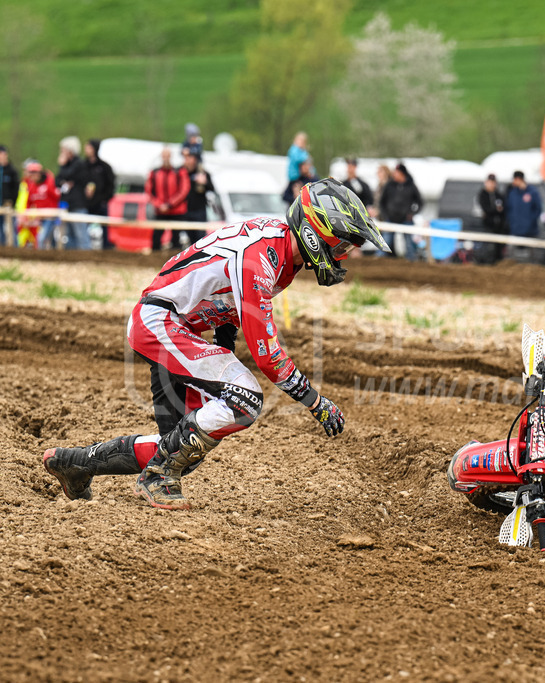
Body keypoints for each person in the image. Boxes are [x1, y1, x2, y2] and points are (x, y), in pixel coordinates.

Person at [42, 179, 392, 511]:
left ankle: (75, 464)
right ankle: (159, 476)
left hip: (175, 327)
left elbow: (226, 309)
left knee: (179, 447)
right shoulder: (263, 258)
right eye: (343, 245)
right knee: (245, 398)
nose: (343, 255)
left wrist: (223, 351)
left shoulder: (282, 252)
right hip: (163, 322)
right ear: (316, 234)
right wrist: (315, 402)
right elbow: (267, 353)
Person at [144, 147, 191, 251]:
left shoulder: (180, 172)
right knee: (156, 237)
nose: (166, 158)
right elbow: (149, 191)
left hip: (177, 211)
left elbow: (184, 190)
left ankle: (176, 263)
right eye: (164, 156)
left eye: (168, 156)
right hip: (160, 211)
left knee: (176, 239)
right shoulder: (154, 173)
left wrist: (170, 204)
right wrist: (159, 205)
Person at [378, 162, 422, 260]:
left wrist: (412, 214)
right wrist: (385, 215)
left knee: (409, 244)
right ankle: (378, 260)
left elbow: (420, 202)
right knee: (385, 242)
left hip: (406, 219)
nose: (394, 174)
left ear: (402, 173)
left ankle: (412, 263)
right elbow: (382, 202)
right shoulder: (389, 185)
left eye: (396, 172)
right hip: (390, 218)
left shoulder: (411, 186)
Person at [16, 160, 61, 249]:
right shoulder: (32, 186)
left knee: (42, 238)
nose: (31, 178)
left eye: (32, 175)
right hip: (40, 217)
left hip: (50, 216)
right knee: (47, 239)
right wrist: (26, 216)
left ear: (38, 174)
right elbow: (29, 202)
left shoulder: (49, 182)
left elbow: (57, 197)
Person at [56, 136, 92, 250]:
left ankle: (86, 258)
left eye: (63, 150)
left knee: (81, 235)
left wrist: (62, 166)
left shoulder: (79, 164)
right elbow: (57, 180)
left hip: (78, 204)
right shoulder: (67, 165)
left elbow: (69, 175)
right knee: (69, 236)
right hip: (67, 204)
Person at [83, 139, 116, 249]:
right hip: (87, 204)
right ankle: (85, 248)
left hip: (101, 203)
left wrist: (104, 199)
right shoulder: (83, 166)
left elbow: (110, 185)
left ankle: (106, 249)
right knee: (83, 228)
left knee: (105, 227)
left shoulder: (104, 167)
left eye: (89, 147)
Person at [180, 147, 215, 246]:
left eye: (190, 157)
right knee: (186, 239)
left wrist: (205, 182)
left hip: (199, 211)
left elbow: (212, 189)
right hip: (185, 211)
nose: (188, 160)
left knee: (200, 240)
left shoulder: (203, 173)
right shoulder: (181, 172)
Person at [475, 173, 505, 263]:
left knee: (497, 248)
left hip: (498, 227)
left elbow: (503, 209)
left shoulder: (498, 195)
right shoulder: (482, 195)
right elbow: (486, 209)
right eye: (490, 182)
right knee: (487, 247)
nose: (491, 184)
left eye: (493, 182)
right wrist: (496, 210)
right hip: (486, 226)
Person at [505, 170, 542, 239]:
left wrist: (530, 222)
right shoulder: (512, 193)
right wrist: (512, 223)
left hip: (530, 232)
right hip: (515, 231)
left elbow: (538, 209)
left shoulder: (532, 192)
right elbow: (509, 209)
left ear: (518, 179)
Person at [0, 144, 19, 246]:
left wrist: (12, 201)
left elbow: (16, 188)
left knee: (11, 230)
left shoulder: (11, 171)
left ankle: (14, 250)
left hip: (8, 205)